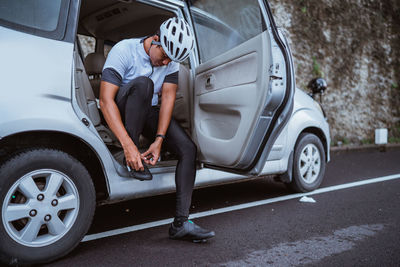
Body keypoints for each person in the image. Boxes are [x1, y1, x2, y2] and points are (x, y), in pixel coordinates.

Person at [99, 17, 215, 242]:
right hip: (120, 111)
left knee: (188, 149)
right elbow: (105, 101)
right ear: (155, 40)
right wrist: (129, 145)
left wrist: (159, 140)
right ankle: (130, 158)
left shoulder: (170, 63)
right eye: (163, 57)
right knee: (145, 84)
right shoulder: (124, 50)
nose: (165, 64)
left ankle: (181, 223)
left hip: (147, 111)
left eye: (170, 61)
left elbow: (168, 99)